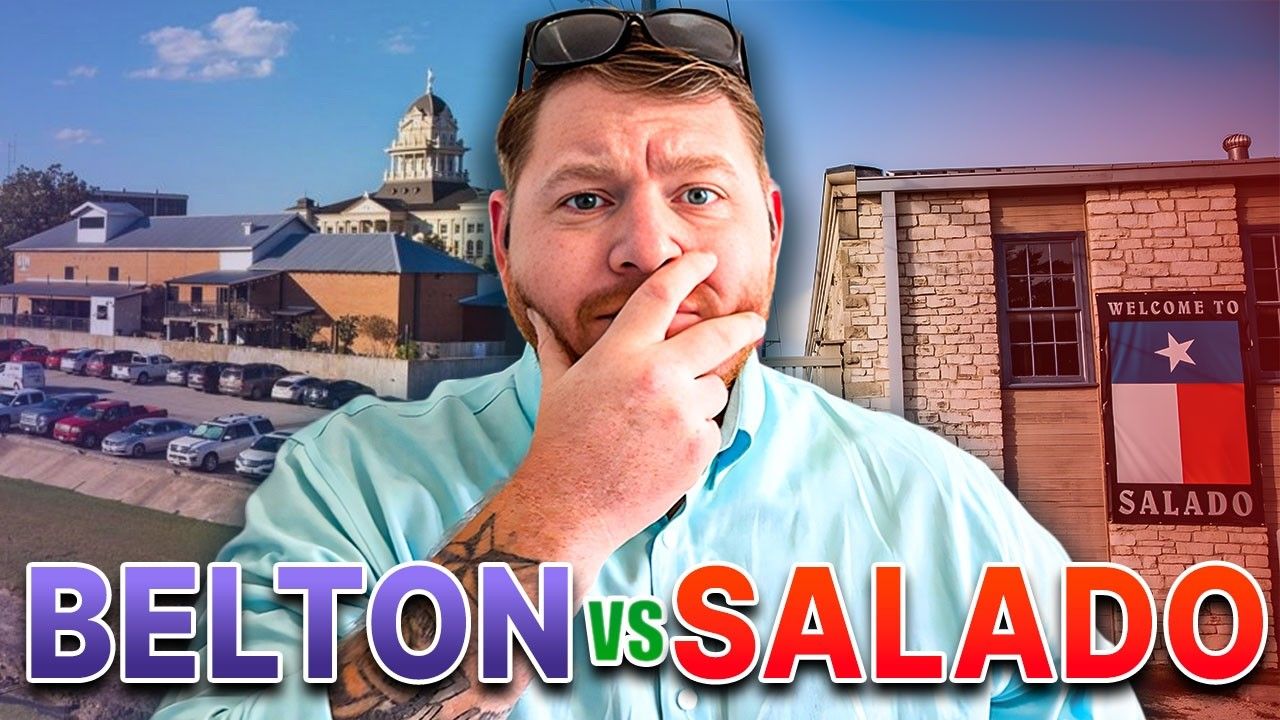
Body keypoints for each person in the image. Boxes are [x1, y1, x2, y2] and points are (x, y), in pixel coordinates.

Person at [155, 7, 1143, 719]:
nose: (649, 248)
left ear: (772, 226)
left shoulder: (934, 503)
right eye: (584, 200)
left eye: (700, 196)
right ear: (500, 244)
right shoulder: (350, 482)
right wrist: (559, 506)